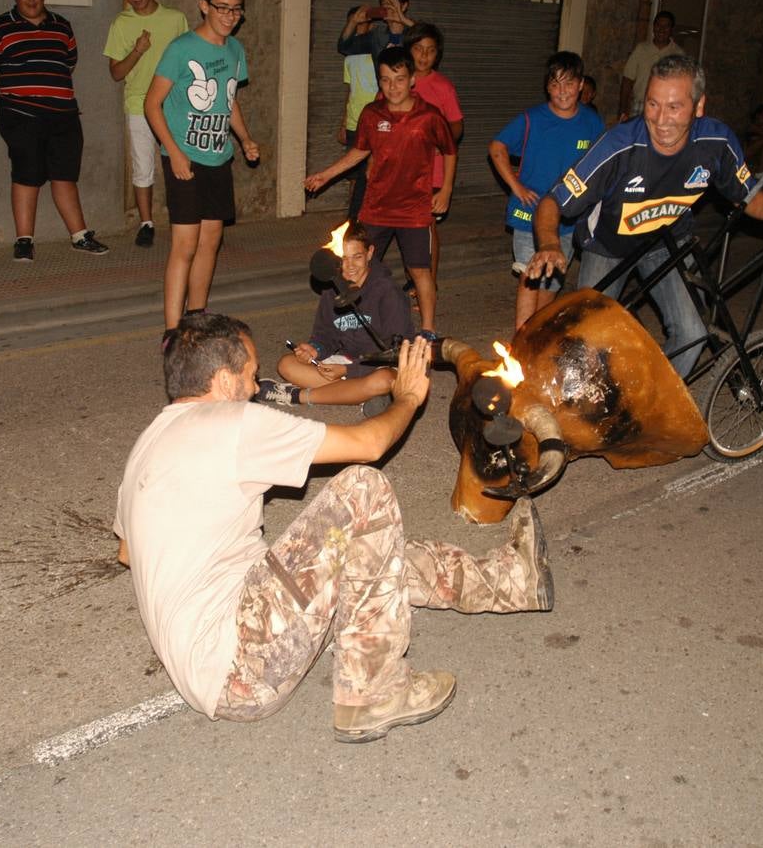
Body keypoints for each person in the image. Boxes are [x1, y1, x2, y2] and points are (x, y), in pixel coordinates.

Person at [114, 314, 552, 742]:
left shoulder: (146, 444)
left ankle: (513, 581)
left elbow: (128, 554)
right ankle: (374, 692)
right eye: (250, 376)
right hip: (241, 663)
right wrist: (408, 398)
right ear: (225, 380)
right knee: (361, 491)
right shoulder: (232, 423)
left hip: (208, 663)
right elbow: (369, 444)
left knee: (361, 547)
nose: (253, 389)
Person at [527, 54, 763, 378]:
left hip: (668, 241)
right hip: (607, 246)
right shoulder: (619, 145)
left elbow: (747, 194)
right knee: (589, 339)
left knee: (693, 332)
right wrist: (550, 244)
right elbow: (554, 200)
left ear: (698, 106)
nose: (661, 119)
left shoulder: (715, 142)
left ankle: (652, 406)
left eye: (674, 107)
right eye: (652, 105)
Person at [303, 46, 457, 335]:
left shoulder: (430, 116)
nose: (392, 86)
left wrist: (445, 190)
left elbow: (449, 151)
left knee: (419, 270)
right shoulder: (372, 113)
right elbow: (359, 151)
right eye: (385, 80)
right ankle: (355, 324)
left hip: (414, 210)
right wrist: (325, 175)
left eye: (399, 79)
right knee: (358, 266)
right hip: (376, 206)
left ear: (412, 79)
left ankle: (427, 329)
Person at [145, 0, 260, 346]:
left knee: (211, 241)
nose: (229, 17)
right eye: (222, 8)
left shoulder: (235, 50)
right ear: (204, 6)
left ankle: (197, 317)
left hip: (218, 158)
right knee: (185, 245)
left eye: (236, 10)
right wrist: (174, 153)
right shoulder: (181, 49)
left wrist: (244, 140)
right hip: (185, 158)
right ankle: (172, 329)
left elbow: (230, 102)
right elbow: (152, 104)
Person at [0, 0, 108, 261]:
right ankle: (24, 241)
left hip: (63, 115)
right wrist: (16, 83)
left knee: (65, 175)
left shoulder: (62, 26)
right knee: (27, 175)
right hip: (20, 114)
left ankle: (79, 236)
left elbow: (68, 63)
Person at [488, 51, 604, 331]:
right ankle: (521, 340)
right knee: (531, 275)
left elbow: (603, 164)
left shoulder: (592, 123)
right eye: (555, 84)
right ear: (547, 87)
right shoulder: (531, 119)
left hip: (567, 219)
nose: (562, 91)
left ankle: (536, 337)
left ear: (580, 86)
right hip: (528, 213)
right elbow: (497, 147)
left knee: (551, 280)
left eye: (568, 83)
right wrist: (516, 186)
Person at [255, 222, 413, 413]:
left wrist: (349, 370)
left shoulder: (387, 291)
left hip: (380, 366)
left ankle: (298, 395)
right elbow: (324, 335)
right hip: (345, 363)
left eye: (357, 257)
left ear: (370, 253)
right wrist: (315, 350)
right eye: (343, 259)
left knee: (385, 380)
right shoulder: (333, 289)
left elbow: (395, 353)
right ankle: (357, 395)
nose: (350, 266)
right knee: (286, 365)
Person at [103, 0, 188, 248]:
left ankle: (184, 218)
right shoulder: (121, 23)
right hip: (139, 104)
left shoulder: (175, 19)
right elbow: (116, 73)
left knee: (180, 160)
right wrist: (137, 51)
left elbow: (187, 64)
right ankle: (146, 223)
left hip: (173, 104)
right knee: (143, 167)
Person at [404, 22, 462, 296]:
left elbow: (456, 126)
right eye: (418, 49)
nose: (424, 56)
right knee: (405, 228)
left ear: (437, 54)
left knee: (426, 230)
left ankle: (429, 284)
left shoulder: (443, 87)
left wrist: (440, 142)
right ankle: (414, 280)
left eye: (430, 50)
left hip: (432, 171)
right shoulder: (399, 82)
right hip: (400, 171)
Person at [336, 6, 379, 220]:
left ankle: (367, 217)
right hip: (355, 122)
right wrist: (344, 122)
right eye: (352, 22)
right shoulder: (350, 56)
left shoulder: (376, 51)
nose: (356, 26)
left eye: (361, 21)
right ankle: (352, 218)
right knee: (354, 173)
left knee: (372, 174)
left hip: (374, 122)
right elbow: (350, 90)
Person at [617, 11, 683, 121]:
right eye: (658, 25)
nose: (661, 29)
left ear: (671, 29)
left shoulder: (678, 54)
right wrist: (623, 109)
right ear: (653, 27)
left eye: (666, 26)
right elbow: (627, 80)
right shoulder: (641, 49)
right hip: (639, 104)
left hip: (665, 107)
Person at [336, 0, 413, 58]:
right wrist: (353, 22)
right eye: (383, 2)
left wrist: (404, 20)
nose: (386, 6)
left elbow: (423, 35)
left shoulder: (413, 32)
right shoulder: (376, 36)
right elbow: (344, 48)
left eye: (391, 2)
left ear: (404, 6)